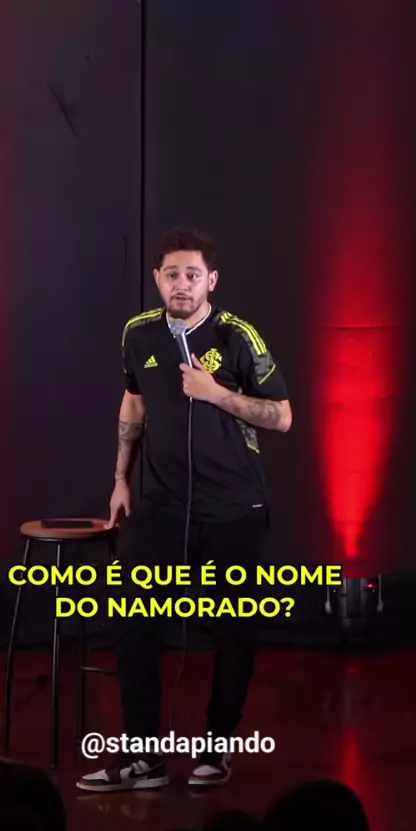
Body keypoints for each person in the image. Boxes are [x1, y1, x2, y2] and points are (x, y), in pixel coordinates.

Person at [77, 226, 291, 793]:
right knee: (132, 621)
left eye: (193, 275)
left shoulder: (237, 335)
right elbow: (133, 402)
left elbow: (283, 416)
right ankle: (142, 756)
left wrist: (216, 392)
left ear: (210, 281)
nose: (182, 283)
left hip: (235, 507)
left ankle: (217, 749)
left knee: (234, 630)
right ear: (157, 279)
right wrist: (120, 479)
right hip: (163, 505)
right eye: (172, 274)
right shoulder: (138, 333)